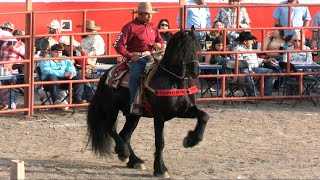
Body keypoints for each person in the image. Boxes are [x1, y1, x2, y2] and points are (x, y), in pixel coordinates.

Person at [113, 1, 164, 114]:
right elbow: (118, 44)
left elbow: (159, 40)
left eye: (151, 13)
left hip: (152, 55)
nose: (150, 16)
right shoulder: (129, 27)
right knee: (135, 76)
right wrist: (130, 55)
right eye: (147, 14)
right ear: (140, 14)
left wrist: (160, 45)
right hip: (137, 57)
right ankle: (133, 103)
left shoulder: (153, 26)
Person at [232, 32, 276, 96]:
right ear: (245, 42)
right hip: (243, 70)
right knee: (246, 73)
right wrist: (251, 72)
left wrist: (265, 60)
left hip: (254, 68)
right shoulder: (237, 50)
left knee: (270, 72)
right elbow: (240, 64)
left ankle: (266, 94)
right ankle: (252, 95)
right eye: (251, 40)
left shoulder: (249, 48)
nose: (253, 42)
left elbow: (254, 60)